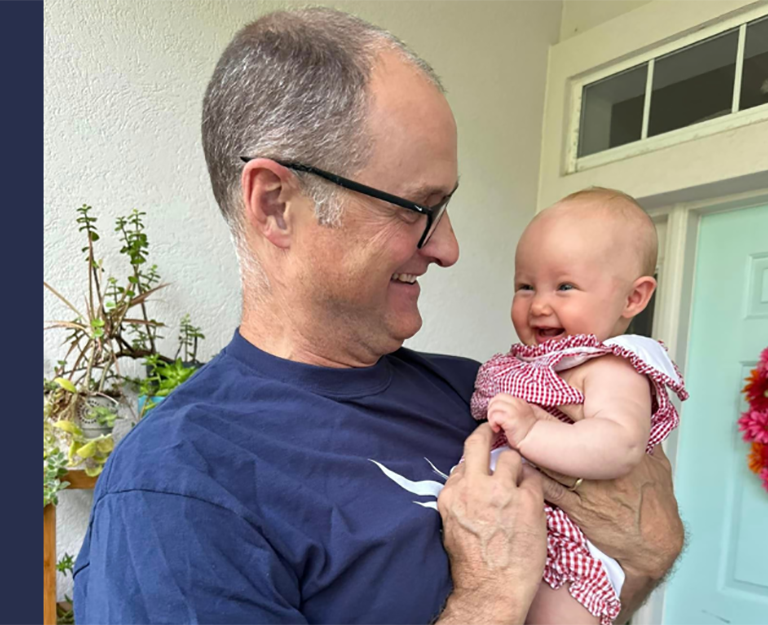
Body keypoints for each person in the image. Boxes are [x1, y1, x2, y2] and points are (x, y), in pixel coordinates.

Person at [72, 8, 684, 624]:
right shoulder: (180, 488)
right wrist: (489, 596)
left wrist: (646, 551)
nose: (448, 248)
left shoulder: (473, 389)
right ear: (277, 204)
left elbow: (630, 551)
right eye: (418, 208)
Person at [469, 189, 688, 625]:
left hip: (569, 544)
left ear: (633, 298)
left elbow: (619, 445)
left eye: (564, 286)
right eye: (525, 286)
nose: (539, 304)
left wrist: (532, 433)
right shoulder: (534, 361)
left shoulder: (613, 366)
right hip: (506, 526)